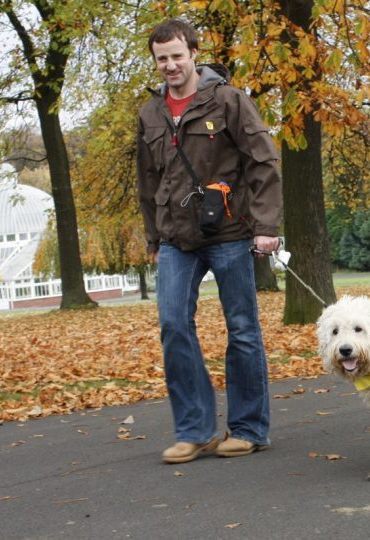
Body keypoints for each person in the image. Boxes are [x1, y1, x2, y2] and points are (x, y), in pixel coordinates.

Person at [137, 19, 282, 463]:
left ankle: (248, 428)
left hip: (230, 231)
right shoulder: (150, 113)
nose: (170, 65)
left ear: (193, 53)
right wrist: (153, 236)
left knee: (241, 328)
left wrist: (266, 226)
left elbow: (263, 161)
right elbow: (147, 178)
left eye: (177, 56)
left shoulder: (229, 101)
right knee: (173, 324)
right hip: (176, 236)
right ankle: (195, 429)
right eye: (162, 58)